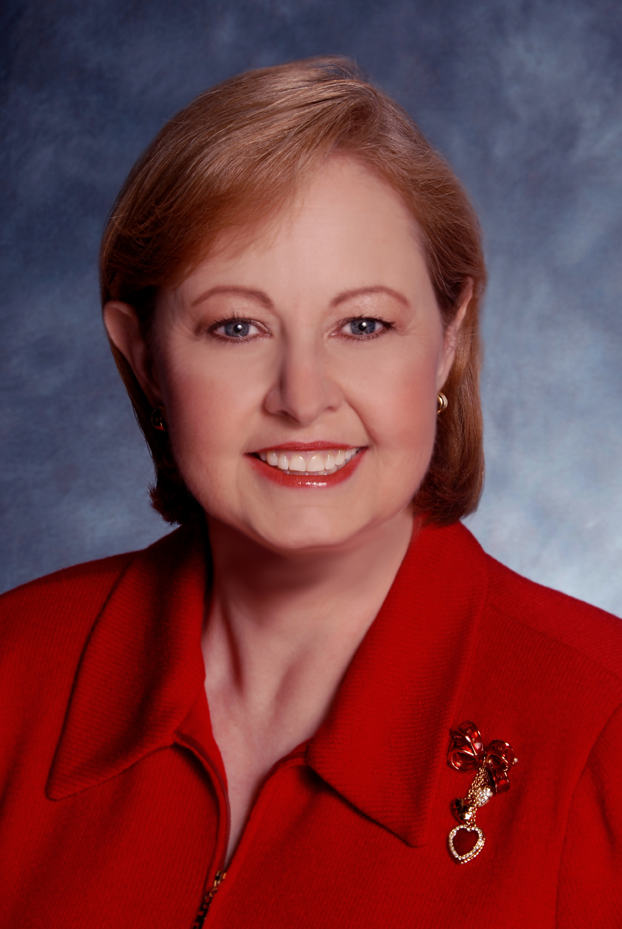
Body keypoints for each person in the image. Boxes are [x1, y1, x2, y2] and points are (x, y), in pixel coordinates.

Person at [0, 57, 620, 929]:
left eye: (362, 324)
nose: (302, 395)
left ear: (448, 339)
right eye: (237, 326)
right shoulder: (12, 674)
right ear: (143, 356)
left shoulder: (604, 728)